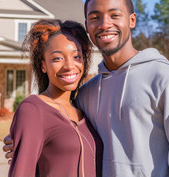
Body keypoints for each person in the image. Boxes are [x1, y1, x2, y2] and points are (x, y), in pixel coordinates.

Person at [4, 0, 169, 177]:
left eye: (115, 15)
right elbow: (56, 126)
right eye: (95, 18)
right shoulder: (86, 93)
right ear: (87, 26)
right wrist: (23, 140)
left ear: (132, 20)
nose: (105, 24)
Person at [7, 19, 103, 177]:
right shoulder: (33, 109)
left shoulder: (83, 109)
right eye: (58, 58)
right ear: (43, 65)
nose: (69, 66)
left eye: (76, 57)